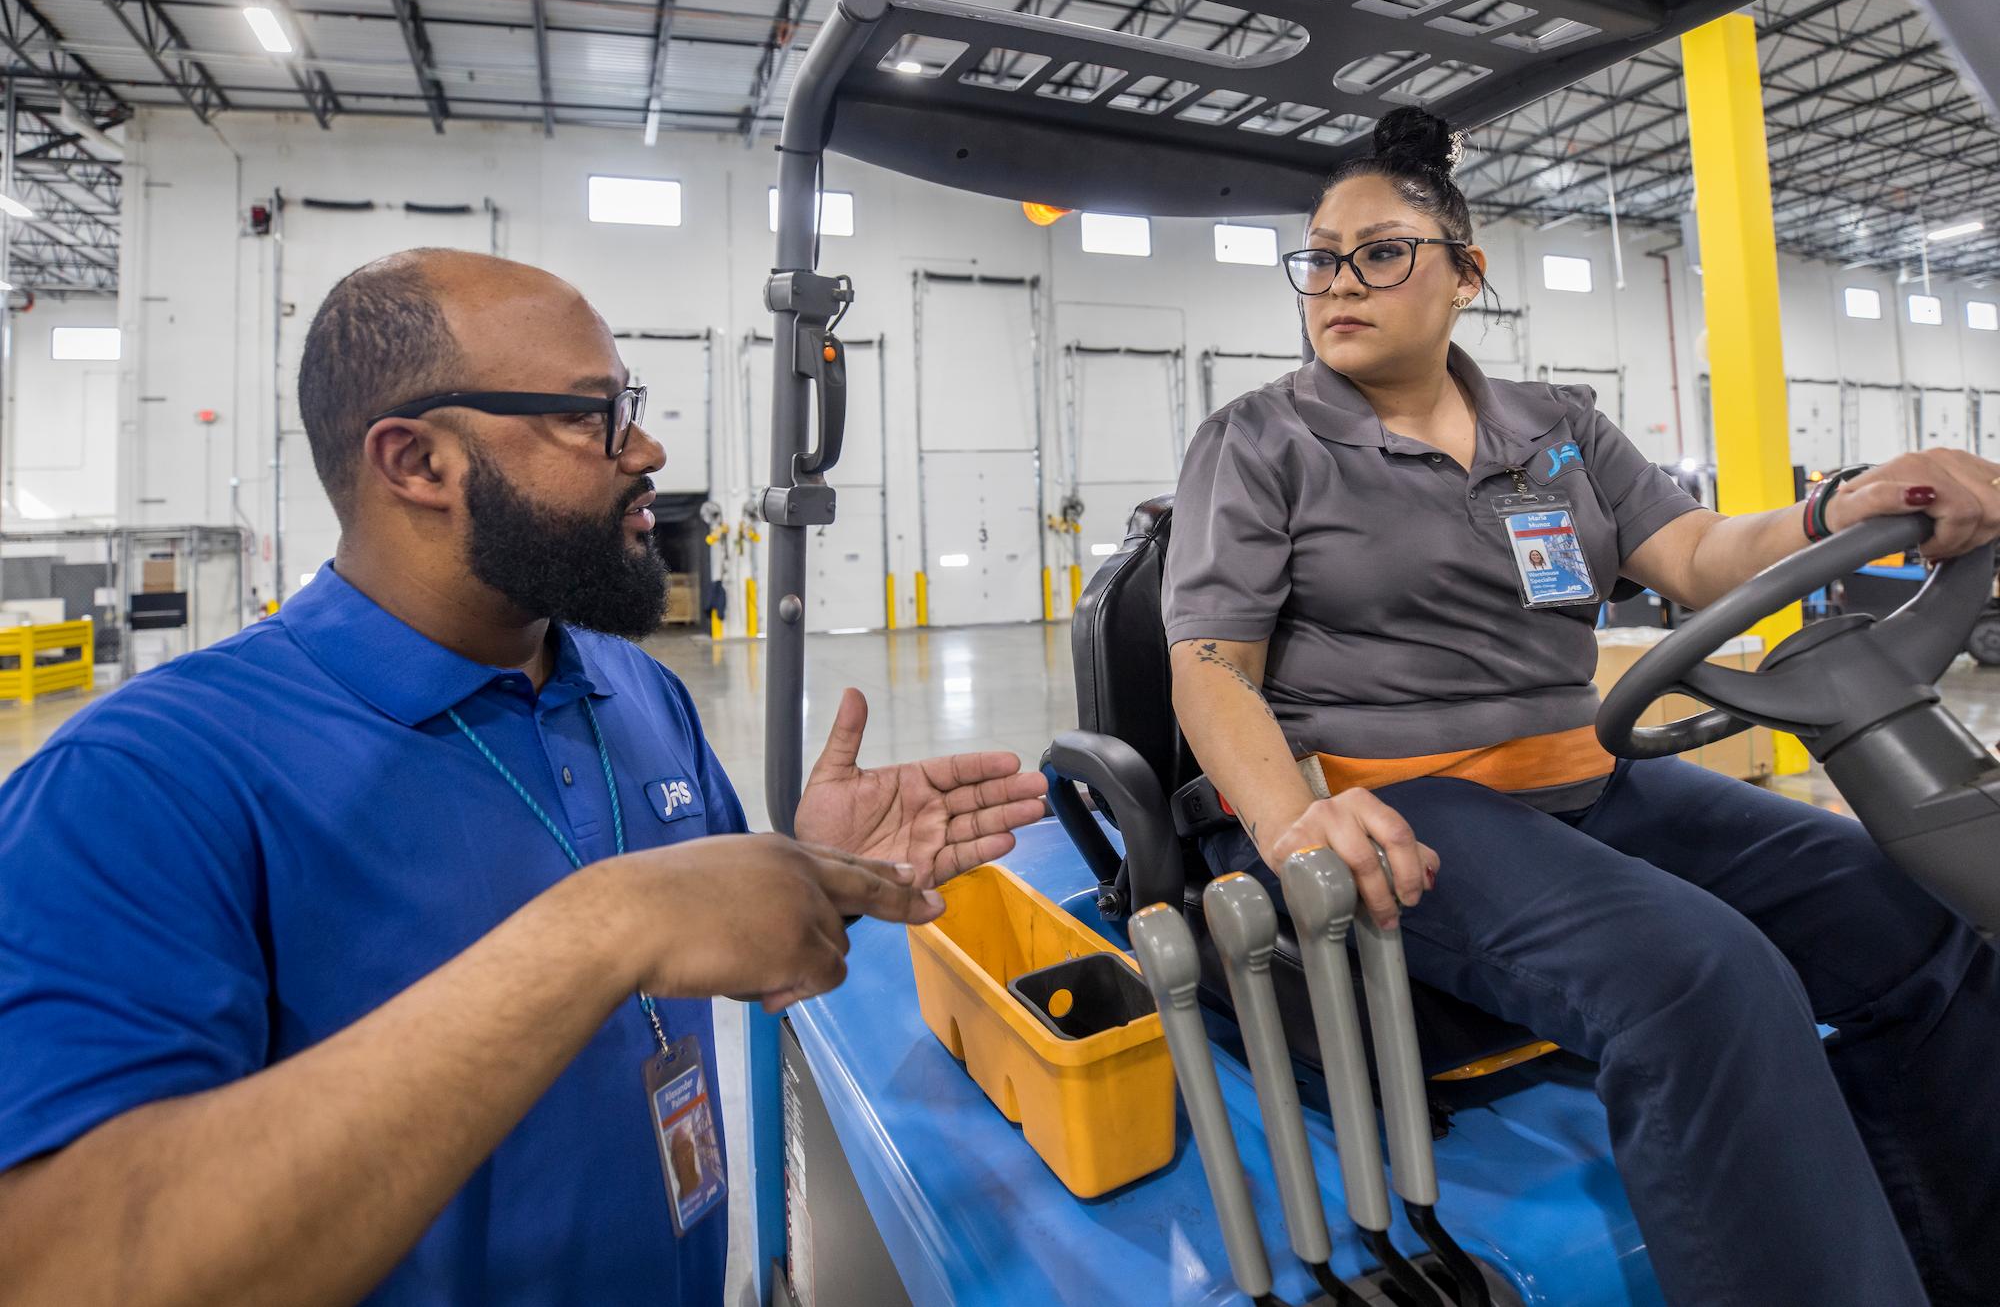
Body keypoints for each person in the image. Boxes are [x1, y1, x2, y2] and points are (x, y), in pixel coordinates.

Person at [0, 249, 1048, 1305]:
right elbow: (62, 1261)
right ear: (416, 462)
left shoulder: (634, 692)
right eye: (591, 416)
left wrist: (820, 871)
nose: (645, 447)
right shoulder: (143, 781)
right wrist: (598, 927)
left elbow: (706, 941)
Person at [1166, 106, 2000, 1306]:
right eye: (1318, 257)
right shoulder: (1260, 442)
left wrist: (1838, 503)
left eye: (1379, 250)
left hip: (1583, 783)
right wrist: (1295, 825)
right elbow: (1209, 664)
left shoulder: (1554, 427)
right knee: (1699, 978)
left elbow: (1704, 553)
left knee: (1914, 917)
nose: (1336, 281)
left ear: (1465, 273)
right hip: (1390, 806)